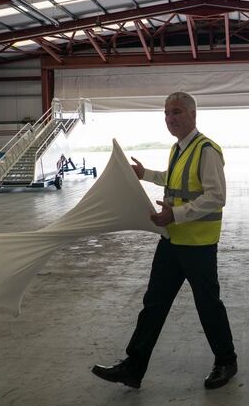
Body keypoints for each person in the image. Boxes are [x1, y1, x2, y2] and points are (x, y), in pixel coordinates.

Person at [92, 92, 237, 389]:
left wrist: (177, 215)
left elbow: (216, 197)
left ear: (193, 115)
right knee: (154, 304)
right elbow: (173, 179)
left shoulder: (206, 150)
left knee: (207, 305)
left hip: (198, 244)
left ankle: (226, 361)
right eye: (167, 114)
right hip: (172, 241)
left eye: (177, 112)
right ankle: (133, 367)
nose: (171, 119)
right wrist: (145, 174)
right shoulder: (178, 149)